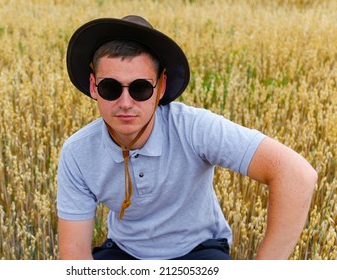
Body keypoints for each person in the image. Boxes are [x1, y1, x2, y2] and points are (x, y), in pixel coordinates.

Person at [57, 15, 317, 260]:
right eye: (110, 88)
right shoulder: (77, 152)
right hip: (124, 253)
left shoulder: (194, 128)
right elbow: (75, 253)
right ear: (93, 86)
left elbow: (296, 174)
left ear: (160, 87)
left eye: (141, 88)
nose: (125, 103)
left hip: (199, 252)